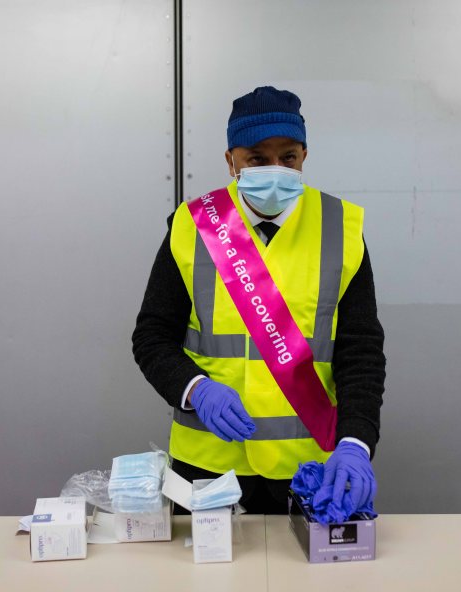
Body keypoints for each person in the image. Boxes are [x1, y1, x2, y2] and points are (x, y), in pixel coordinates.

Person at [132, 86, 386, 515]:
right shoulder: (192, 226)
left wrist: (356, 441)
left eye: (288, 157)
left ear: (305, 154)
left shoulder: (342, 227)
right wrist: (195, 390)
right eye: (257, 159)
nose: (275, 169)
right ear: (231, 161)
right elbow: (152, 337)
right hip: (208, 468)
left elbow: (360, 351)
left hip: (309, 469)